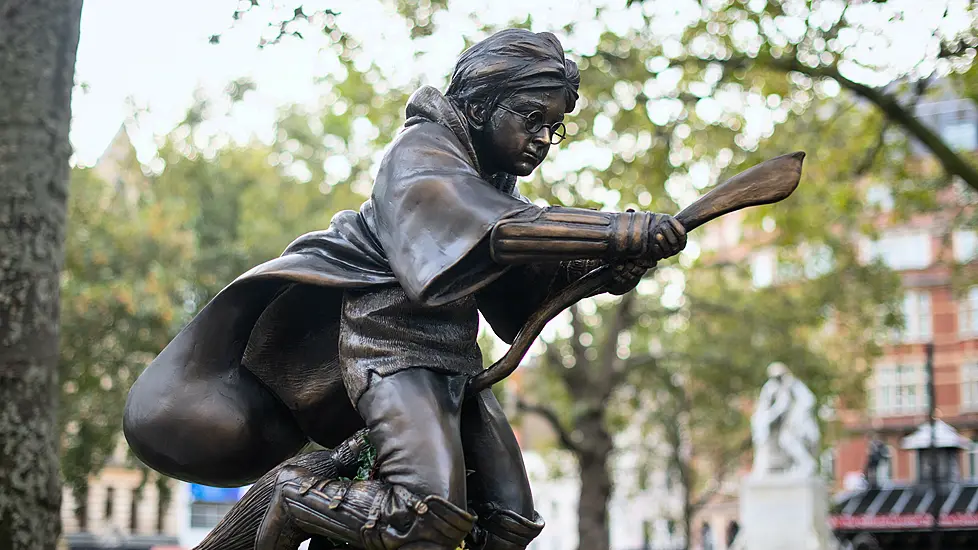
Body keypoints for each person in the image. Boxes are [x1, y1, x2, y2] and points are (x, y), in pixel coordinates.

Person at [124, 29, 686, 550]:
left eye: (554, 127)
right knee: (424, 511)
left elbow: (514, 286)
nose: (543, 138)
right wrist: (615, 230)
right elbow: (494, 231)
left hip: (450, 358)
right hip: (388, 345)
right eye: (531, 117)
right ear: (480, 102)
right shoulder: (421, 152)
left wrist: (603, 270)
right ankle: (298, 495)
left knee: (508, 517)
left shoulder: (493, 181)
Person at [750, 362, 820, 478]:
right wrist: (767, 418)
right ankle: (771, 467)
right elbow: (765, 407)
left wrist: (796, 415)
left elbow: (808, 401)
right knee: (776, 441)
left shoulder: (794, 384)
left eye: (780, 376)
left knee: (787, 440)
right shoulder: (770, 388)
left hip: (797, 425)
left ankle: (806, 464)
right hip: (778, 426)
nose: (778, 379)